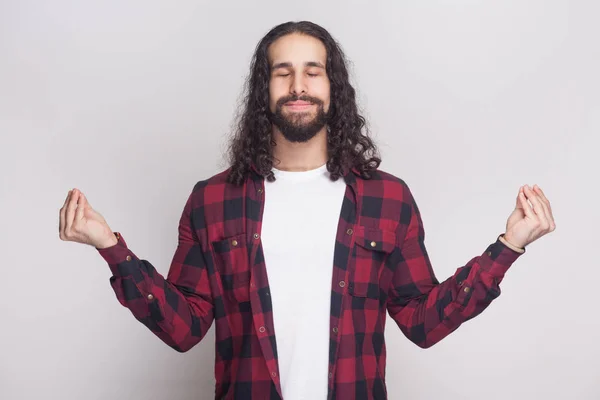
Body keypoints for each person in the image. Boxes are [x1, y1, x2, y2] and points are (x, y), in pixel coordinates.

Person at [58, 20, 556, 400]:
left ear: (332, 88)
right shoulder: (212, 201)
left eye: (312, 72)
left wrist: (507, 247)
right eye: (283, 72)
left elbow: (423, 323)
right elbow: (184, 328)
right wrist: (110, 247)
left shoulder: (388, 198)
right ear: (265, 91)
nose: (298, 85)